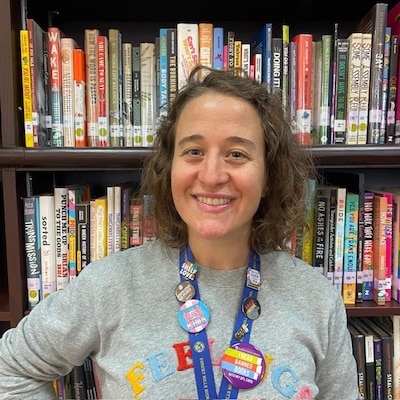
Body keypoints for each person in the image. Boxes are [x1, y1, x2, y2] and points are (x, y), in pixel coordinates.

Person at [0, 65, 359, 399]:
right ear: (170, 167)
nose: (212, 175)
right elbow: (10, 369)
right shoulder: (109, 286)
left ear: (268, 177)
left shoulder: (317, 300)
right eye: (193, 151)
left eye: (236, 153)